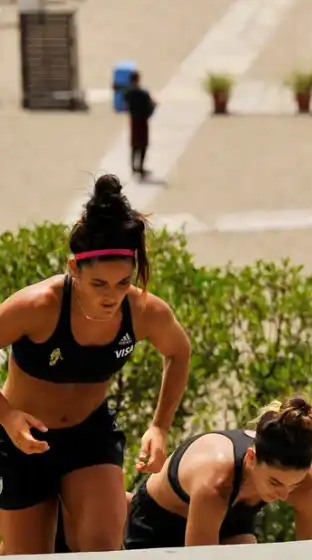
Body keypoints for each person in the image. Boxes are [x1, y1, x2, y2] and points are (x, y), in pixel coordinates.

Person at [0, 174, 191, 555]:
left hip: (90, 435)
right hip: (23, 441)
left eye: (122, 283)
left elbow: (178, 351)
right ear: (75, 268)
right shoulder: (37, 306)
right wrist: (6, 415)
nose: (111, 296)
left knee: (101, 548)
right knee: (28, 555)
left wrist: (159, 426)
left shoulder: (143, 311)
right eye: (99, 284)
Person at [123, 396, 312, 548]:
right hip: (159, 523)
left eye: (293, 484)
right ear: (251, 458)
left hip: (229, 520)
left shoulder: (305, 483)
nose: (283, 495)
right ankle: (122, 507)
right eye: (275, 482)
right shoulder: (216, 483)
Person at [123, 70, 156, 178]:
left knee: (134, 144)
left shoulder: (128, 93)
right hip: (142, 121)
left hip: (134, 121)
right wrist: (149, 114)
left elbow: (125, 105)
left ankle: (133, 167)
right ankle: (140, 167)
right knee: (143, 144)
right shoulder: (144, 93)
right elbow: (152, 105)